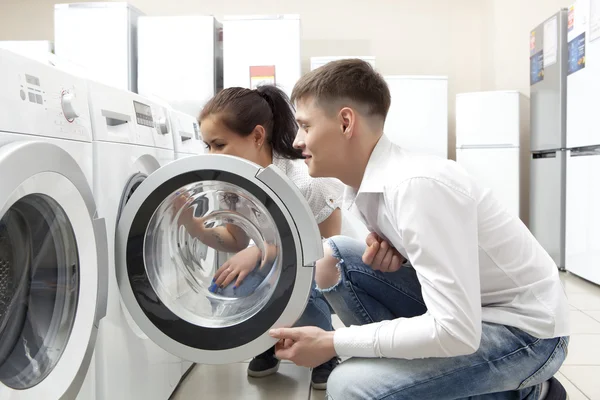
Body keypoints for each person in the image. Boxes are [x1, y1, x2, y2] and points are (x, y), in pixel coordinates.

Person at [269, 59, 571, 400]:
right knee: (334, 259)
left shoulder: (416, 187)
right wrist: (406, 259)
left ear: (345, 122)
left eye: (305, 126)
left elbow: (455, 330)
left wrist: (332, 342)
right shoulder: (368, 189)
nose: (296, 141)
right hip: (474, 313)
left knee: (348, 385)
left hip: (528, 333)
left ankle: (526, 392)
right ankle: (430, 381)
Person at [185, 84, 344, 389]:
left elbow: (327, 251)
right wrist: (192, 224)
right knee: (224, 292)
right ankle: (268, 343)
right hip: (277, 268)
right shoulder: (232, 183)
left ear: (257, 136)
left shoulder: (305, 181)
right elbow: (233, 240)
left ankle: (324, 352)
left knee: (299, 285)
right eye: (207, 146)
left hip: (322, 275)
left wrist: (260, 251)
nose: (212, 155)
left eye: (219, 144)